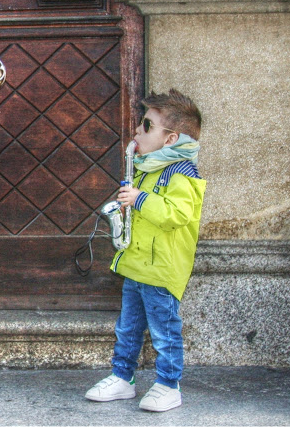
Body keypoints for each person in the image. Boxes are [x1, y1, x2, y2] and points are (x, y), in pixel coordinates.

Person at [84, 89, 206, 412]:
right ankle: (122, 377)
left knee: (164, 332)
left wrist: (137, 199)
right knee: (127, 328)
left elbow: (176, 214)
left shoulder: (182, 173)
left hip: (161, 270)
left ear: (171, 139)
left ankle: (168, 384)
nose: (137, 131)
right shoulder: (146, 167)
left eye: (147, 126)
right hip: (137, 265)